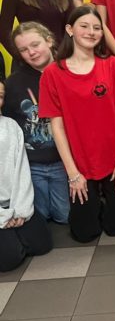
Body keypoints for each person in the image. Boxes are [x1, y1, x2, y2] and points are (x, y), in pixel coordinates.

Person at [39, 5, 115, 242]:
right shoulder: (53, 73)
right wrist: (73, 173)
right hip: (80, 162)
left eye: (97, 28)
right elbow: (57, 127)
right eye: (84, 26)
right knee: (84, 233)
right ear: (70, 30)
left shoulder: (114, 66)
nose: (91, 32)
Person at [4, 22, 69, 223]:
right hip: (32, 165)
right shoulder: (13, 83)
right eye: (24, 49)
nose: (31, 52)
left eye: (35, 45)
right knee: (39, 217)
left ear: (49, 41)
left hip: (63, 161)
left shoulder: (68, 71)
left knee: (64, 216)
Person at [0, 78, 53, 272]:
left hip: (12, 202)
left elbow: (21, 170)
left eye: (0, 96)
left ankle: (12, 235)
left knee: (42, 245)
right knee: (10, 260)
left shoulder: (11, 126)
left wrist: (20, 210)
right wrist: (2, 216)